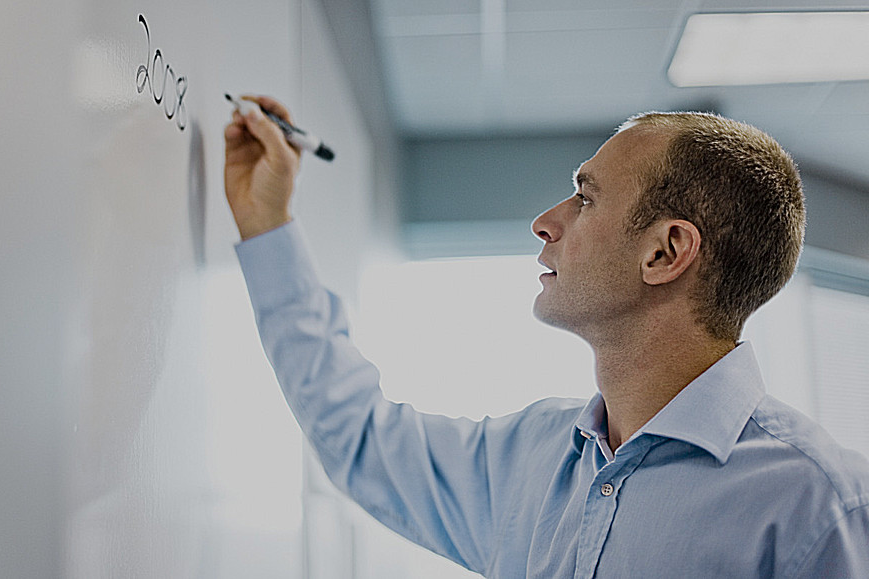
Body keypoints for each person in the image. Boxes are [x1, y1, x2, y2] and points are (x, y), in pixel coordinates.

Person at [224, 95, 869, 578]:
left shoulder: (818, 507)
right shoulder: (532, 458)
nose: (544, 222)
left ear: (665, 251)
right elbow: (359, 436)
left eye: (584, 199)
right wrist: (267, 226)